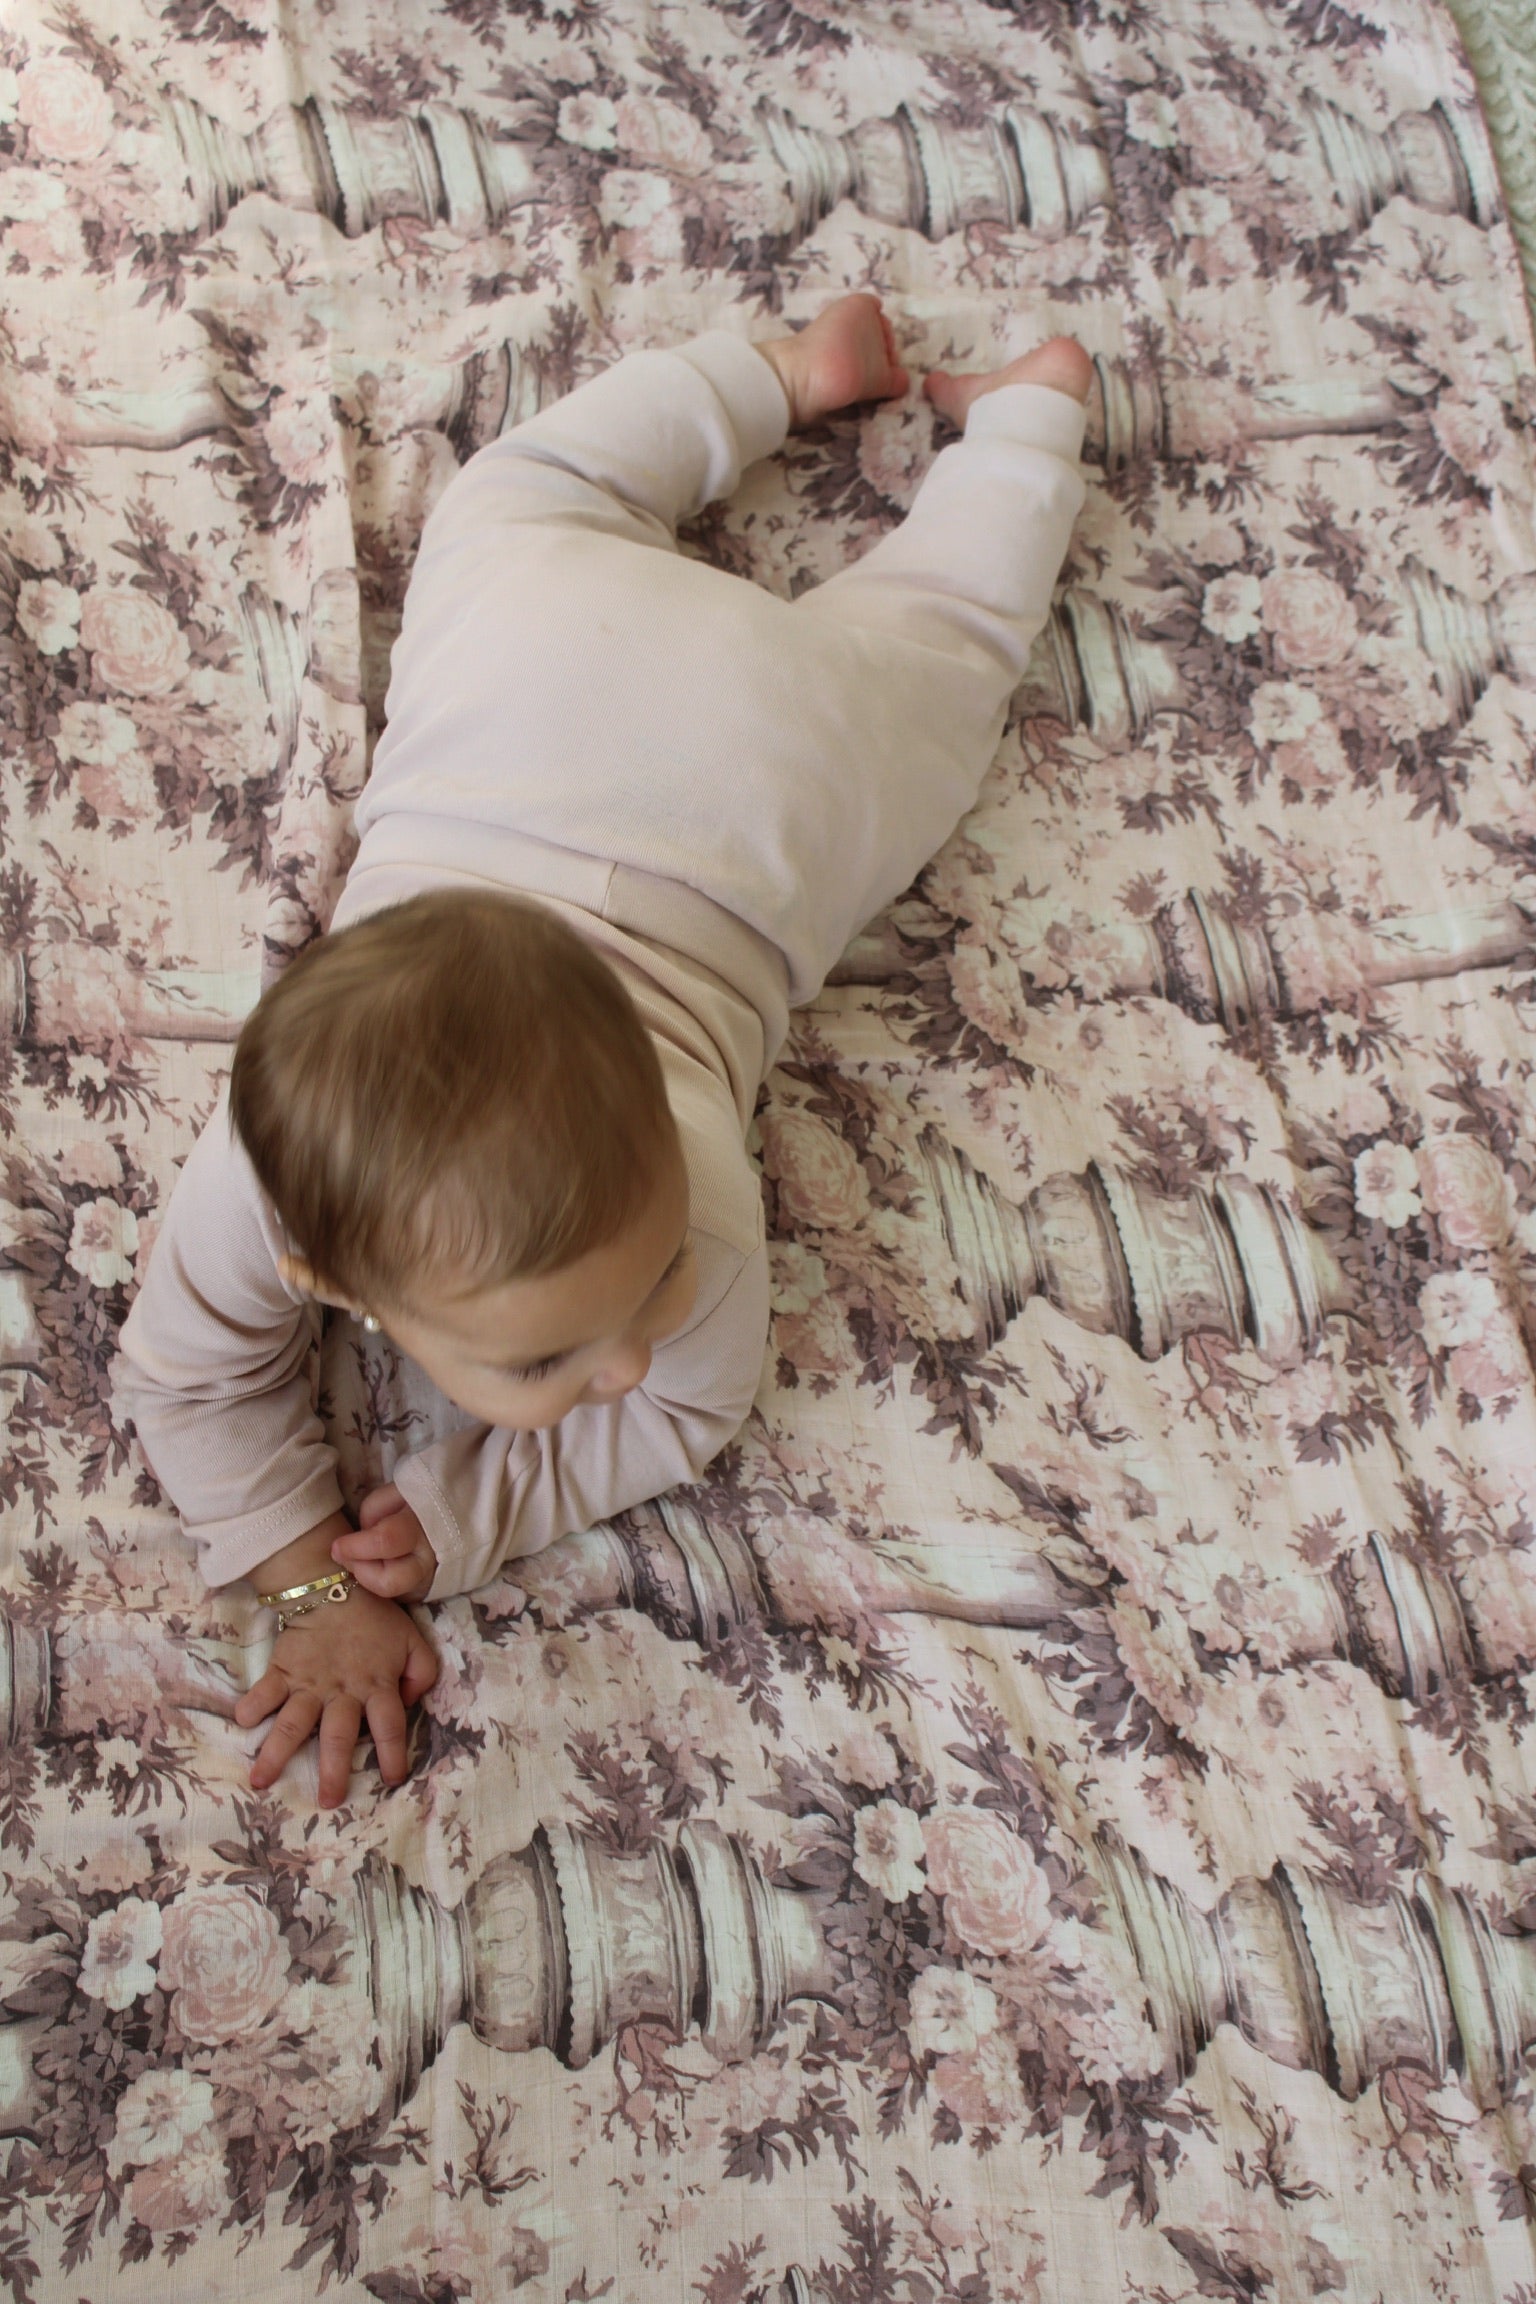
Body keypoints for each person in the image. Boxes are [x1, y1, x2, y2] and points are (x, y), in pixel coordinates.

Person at [117, 293, 1093, 1806]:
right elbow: (185, 1387)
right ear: (324, 1275)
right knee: (529, 495)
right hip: (555, 665)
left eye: (644, 1281)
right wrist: (321, 1580)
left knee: (940, 649)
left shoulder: (687, 1182)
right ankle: (836, 380)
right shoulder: (286, 1177)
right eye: (552, 1356)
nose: (635, 1356)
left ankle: (1012, 410)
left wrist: (475, 1512)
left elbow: (679, 1411)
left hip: (768, 761)